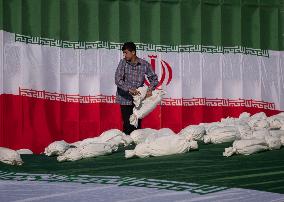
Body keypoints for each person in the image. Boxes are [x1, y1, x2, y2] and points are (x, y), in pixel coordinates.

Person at [115, 42, 158, 135]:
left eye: (126, 53)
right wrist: (129, 89)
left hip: (138, 100)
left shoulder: (144, 64)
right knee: (127, 125)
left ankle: (136, 147)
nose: (124, 55)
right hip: (125, 99)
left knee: (137, 125)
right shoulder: (123, 63)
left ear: (133, 52)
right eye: (123, 53)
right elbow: (118, 80)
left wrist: (150, 89)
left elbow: (154, 79)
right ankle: (127, 144)